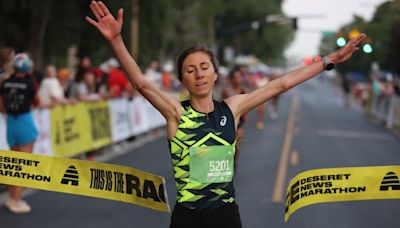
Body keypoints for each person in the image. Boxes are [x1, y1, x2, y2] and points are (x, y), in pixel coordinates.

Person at [86, 1, 366, 227]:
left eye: (204, 67)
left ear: (215, 73)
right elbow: (141, 83)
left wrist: (329, 61)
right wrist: (116, 40)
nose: (199, 74)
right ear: (182, 79)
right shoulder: (175, 113)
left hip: (226, 216)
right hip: (188, 218)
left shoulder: (232, 108)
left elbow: (282, 83)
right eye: (190, 69)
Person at [0, 53, 38, 213]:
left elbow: (1, 106)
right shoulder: (30, 83)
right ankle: (17, 200)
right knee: (24, 164)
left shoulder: (6, 82)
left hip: (11, 123)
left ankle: (11, 198)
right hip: (24, 121)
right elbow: (36, 102)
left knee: (13, 163)